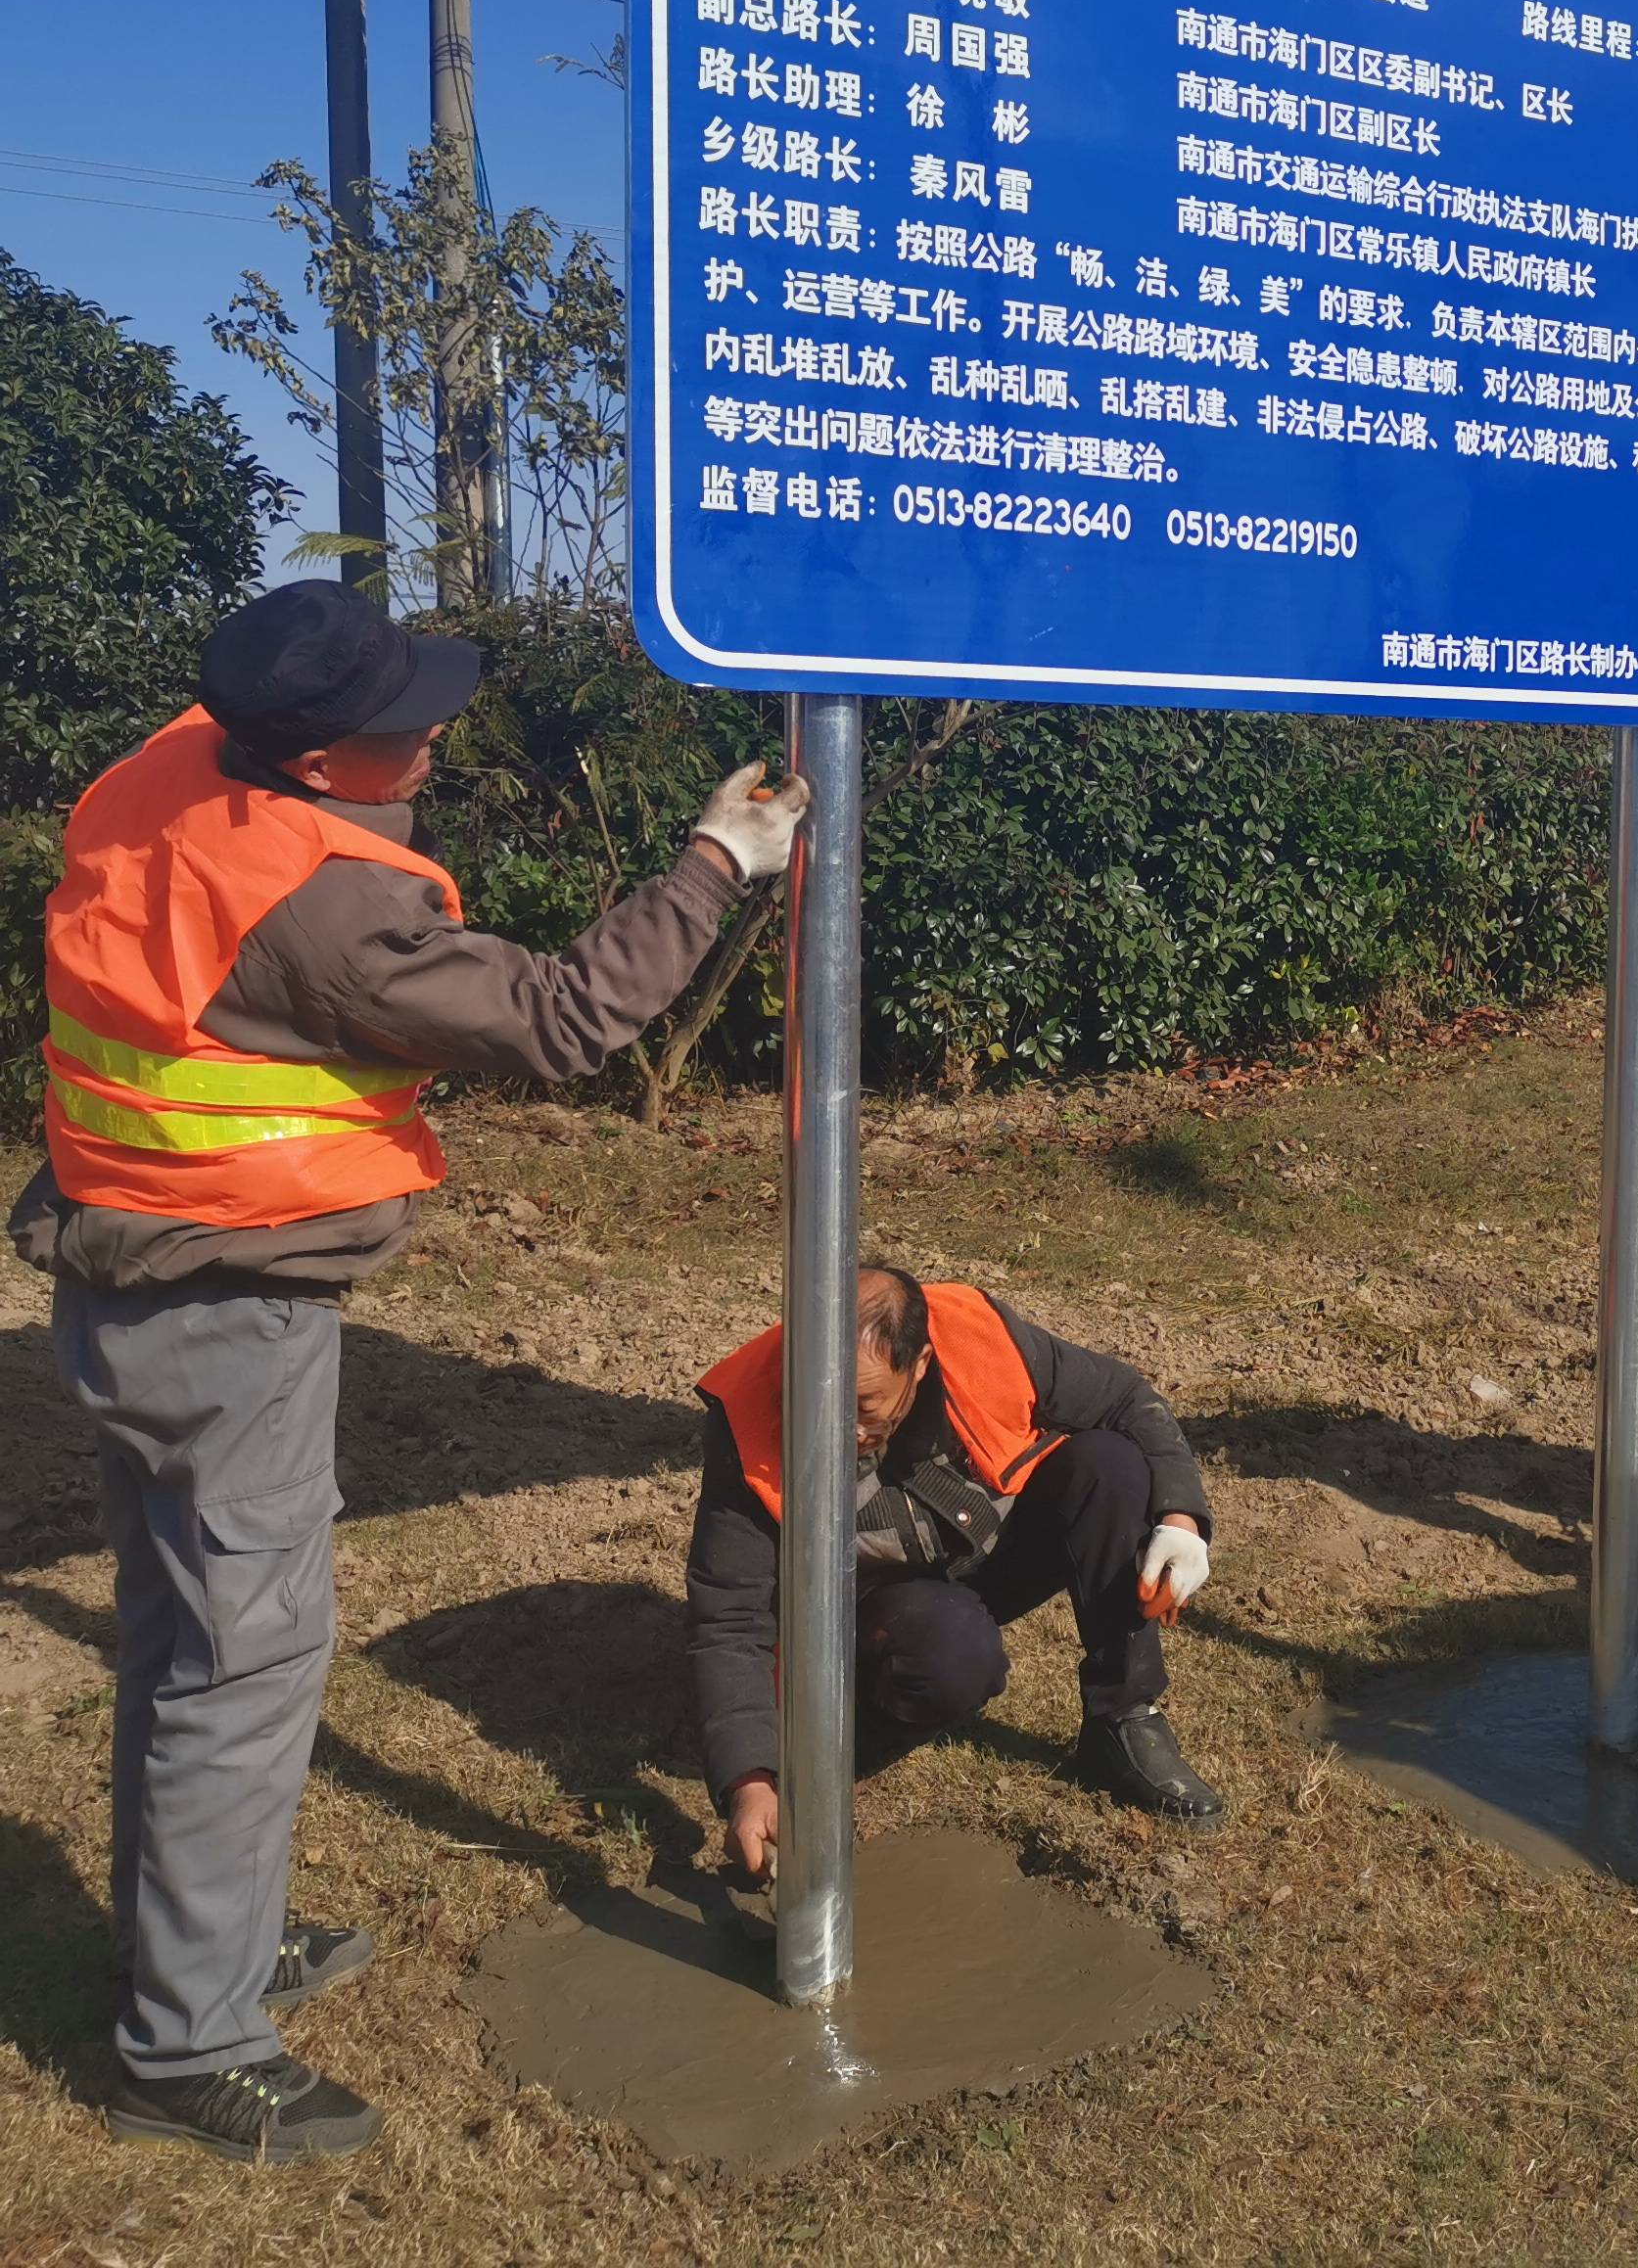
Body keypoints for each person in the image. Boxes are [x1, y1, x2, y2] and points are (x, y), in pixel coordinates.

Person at [12, 579, 810, 2164]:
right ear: (314, 759)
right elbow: (565, 1019)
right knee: (242, 1673)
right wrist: (724, 858)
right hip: (222, 1313)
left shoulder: (170, 761)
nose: (438, 731)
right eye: (406, 723)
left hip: (124, 1274)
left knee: (182, 1647)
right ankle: (189, 2044)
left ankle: (199, 1939)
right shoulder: (318, 900)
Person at [686, 1263, 1224, 1863]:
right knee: (954, 1656)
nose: (838, 1427)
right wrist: (749, 1781)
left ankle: (1124, 1718)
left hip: (976, 1548)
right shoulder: (750, 1417)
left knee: (1111, 1465)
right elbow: (729, 1618)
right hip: (870, 1604)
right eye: (819, 1401)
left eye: (863, 1405)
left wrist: (1182, 1521)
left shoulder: (977, 1336)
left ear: (916, 1365)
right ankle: (858, 1728)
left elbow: (1125, 1397)